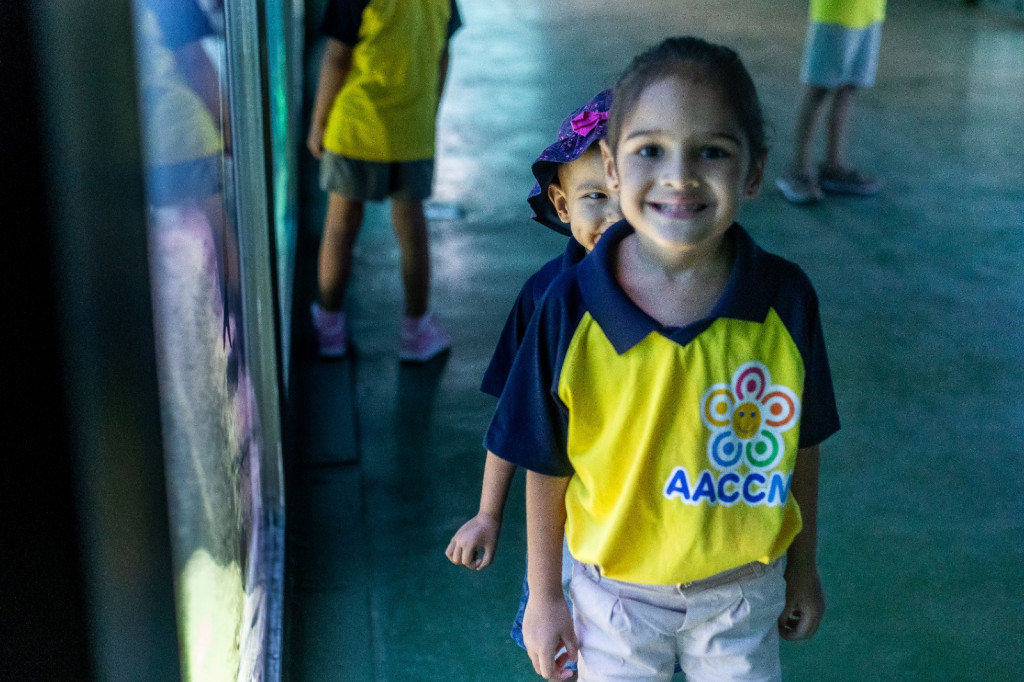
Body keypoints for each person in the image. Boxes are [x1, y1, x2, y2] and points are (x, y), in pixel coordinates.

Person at [485, 36, 840, 681]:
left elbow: (803, 444)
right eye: (650, 150)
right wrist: (544, 596)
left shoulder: (786, 300)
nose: (680, 176)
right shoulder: (566, 306)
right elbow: (545, 461)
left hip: (744, 593)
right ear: (612, 169)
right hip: (612, 597)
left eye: (713, 151)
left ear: (753, 170)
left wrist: (804, 566)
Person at [306, 0, 461, 361]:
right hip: (412, 132)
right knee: (412, 229)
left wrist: (318, 122)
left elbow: (337, 59)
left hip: (356, 127)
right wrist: (428, 111)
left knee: (340, 225)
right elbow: (442, 54)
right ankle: (416, 331)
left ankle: (329, 328)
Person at [776, 0, 886, 204]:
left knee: (849, 87)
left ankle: (833, 166)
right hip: (836, 13)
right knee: (818, 88)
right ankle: (798, 169)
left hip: (870, 10)